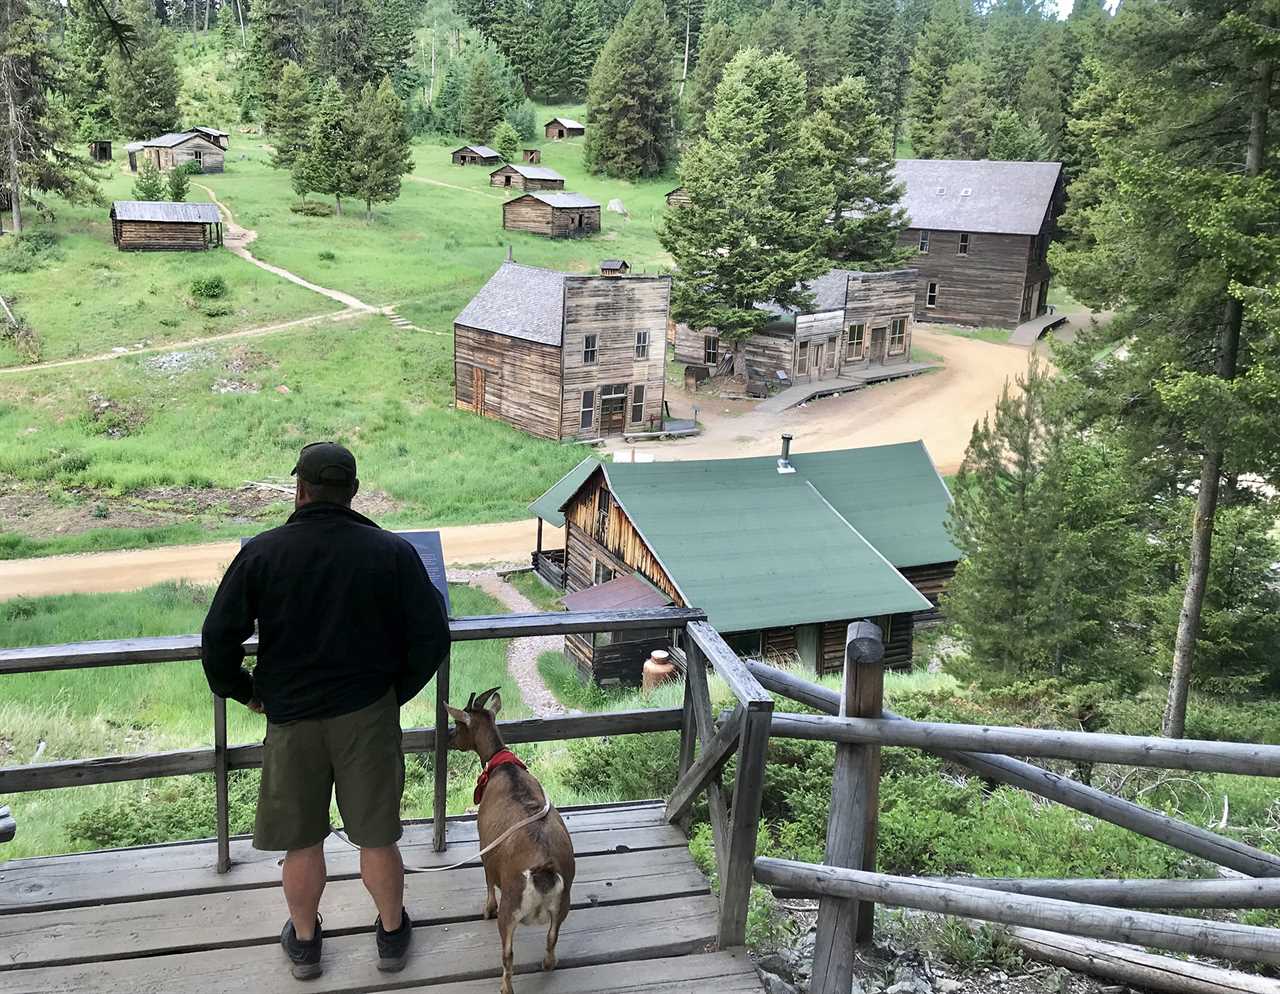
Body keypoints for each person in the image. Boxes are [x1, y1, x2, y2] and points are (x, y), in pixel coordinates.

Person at [201, 442, 450, 981]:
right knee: (377, 836)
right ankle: (389, 935)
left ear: (301, 489)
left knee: (302, 839)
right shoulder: (392, 553)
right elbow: (432, 637)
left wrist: (245, 691)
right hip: (367, 716)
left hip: (290, 721)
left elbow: (217, 638)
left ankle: (307, 944)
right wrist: (393, 693)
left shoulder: (263, 554)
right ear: (353, 491)